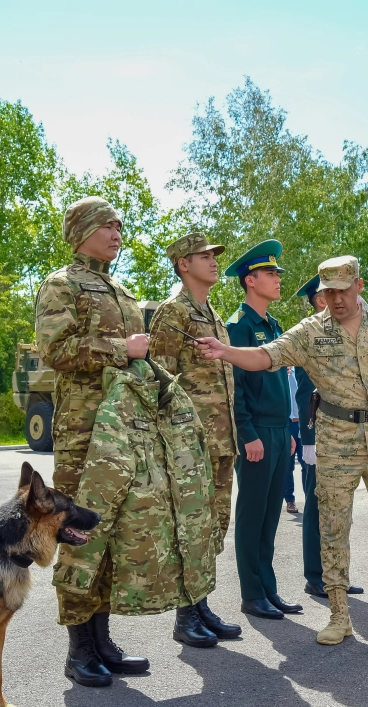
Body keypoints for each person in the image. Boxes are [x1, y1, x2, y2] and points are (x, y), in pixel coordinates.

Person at [196, 255, 368, 646]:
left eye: (342, 290)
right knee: (333, 527)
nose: (336, 299)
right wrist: (225, 351)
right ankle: (339, 614)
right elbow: (265, 356)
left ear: (358, 284)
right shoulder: (309, 332)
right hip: (336, 439)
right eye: (328, 292)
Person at [35, 196, 152, 686]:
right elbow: (54, 350)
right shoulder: (61, 284)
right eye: (108, 225)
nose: (117, 233)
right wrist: (119, 349)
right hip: (84, 434)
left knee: (112, 533)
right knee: (81, 534)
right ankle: (78, 646)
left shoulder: (120, 289)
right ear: (82, 230)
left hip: (121, 431)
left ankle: (102, 640)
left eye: (121, 226)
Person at [148, 230, 243, 644]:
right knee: (190, 529)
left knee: (215, 525)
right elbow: (158, 381)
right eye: (204, 255)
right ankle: (185, 617)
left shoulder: (211, 313)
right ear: (183, 264)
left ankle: (201, 605)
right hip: (190, 446)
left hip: (222, 441)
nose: (213, 260)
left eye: (214, 254)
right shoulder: (174, 313)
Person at [224, 239, 301, 620]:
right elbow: (234, 385)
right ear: (250, 281)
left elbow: (281, 384)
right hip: (254, 431)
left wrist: (286, 428)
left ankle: (268, 588)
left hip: (277, 428)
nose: (278, 279)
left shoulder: (273, 325)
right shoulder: (238, 327)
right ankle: (251, 593)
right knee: (252, 514)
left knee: (271, 514)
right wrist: (247, 433)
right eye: (271, 273)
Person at [294, 274, 364, 599]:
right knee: (318, 507)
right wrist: (308, 439)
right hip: (321, 436)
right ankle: (315, 575)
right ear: (320, 300)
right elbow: (306, 391)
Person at [284, 366, 301, 514]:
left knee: (308, 464)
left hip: (303, 423)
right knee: (288, 466)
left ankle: (311, 499)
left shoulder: (301, 371)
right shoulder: (280, 373)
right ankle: (290, 500)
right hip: (287, 424)